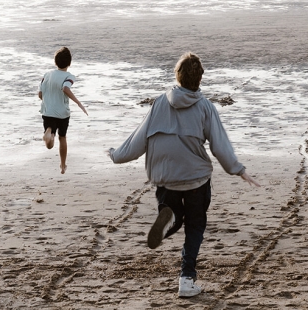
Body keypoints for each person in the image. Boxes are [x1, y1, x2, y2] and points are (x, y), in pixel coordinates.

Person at [108, 52, 259, 298]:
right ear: (200, 79)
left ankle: (168, 220)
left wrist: (116, 155)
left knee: (174, 215)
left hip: (164, 175)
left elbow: (138, 140)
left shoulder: (158, 103)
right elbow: (219, 145)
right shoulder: (205, 106)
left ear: (176, 76)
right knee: (196, 226)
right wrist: (238, 169)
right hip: (195, 178)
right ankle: (186, 280)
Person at [38, 46, 88, 174]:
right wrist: (78, 103)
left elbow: (40, 94)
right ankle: (62, 165)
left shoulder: (47, 75)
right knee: (63, 137)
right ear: (69, 63)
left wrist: (48, 100)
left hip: (48, 112)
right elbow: (66, 89)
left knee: (49, 145)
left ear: (55, 62)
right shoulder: (69, 76)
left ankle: (49, 132)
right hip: (62, 113)